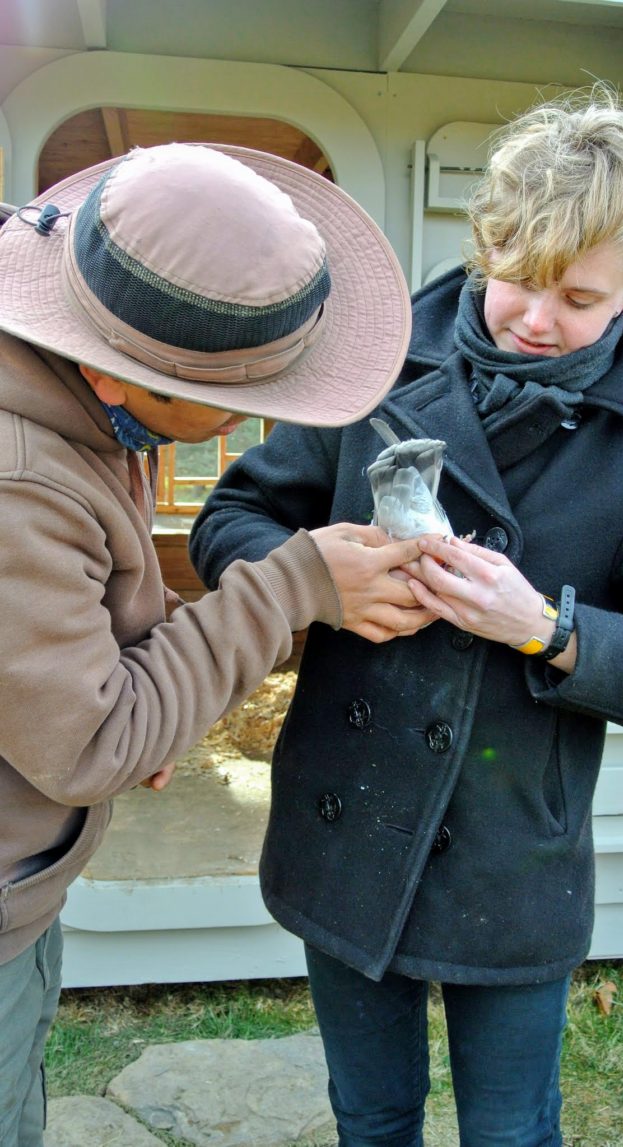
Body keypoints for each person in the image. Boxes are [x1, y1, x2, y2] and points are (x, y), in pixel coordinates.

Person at [190, 87, 623, 1147]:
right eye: (521, 280)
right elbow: (236, 516)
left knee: (508, 1132)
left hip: (512, 859)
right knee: (370, 1117)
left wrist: (548, 625)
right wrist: (317, 580)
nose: (539, 319)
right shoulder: (372, 370)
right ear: (487, 244)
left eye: (579, 300)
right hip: (347, 822)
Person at [0, 141, 433, 1147]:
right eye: (246, 394)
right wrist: (299, 582)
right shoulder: (22, 477)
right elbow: (93, 744)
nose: (255, 416)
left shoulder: (77, 402)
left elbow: (75, 655)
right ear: (133, 371)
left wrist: (143, 689)